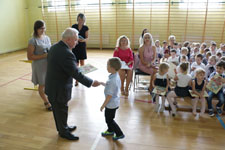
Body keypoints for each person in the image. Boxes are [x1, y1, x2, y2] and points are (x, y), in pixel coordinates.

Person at [45, 28, 100, 140]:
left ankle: (63, 127)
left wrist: (79, 68)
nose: (76, 42)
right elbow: (75, 73)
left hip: (53, 86)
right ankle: (63, 132)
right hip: (58, 89)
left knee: (60, 110)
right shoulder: (66, 53)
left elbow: (67, 68)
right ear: (69, 39)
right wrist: (92, 82)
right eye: (75, 40)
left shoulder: (55, 47)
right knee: (61, 110)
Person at [27, 20, 52, 111]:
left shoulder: (47, 38)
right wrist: (43, 56)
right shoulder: (32, 40)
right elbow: (30, 57)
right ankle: (46, 102)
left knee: (48, 83)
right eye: (41, 28)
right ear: (36, 29)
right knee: (42, 84)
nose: (43, 30)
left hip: (48, 65)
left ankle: (49, 99)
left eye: (44, 28)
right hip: (39, 66)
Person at [100, 57, 125, 141]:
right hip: (114, 102)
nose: (106, 66)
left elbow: (109, 96)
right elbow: (111, 87)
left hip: (111, 104)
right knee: (108, 118)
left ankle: (119, 134)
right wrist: (101, 83)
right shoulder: (115, 76)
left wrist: (103, 105)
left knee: (109, 120)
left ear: (112, 68)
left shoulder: (112, 81)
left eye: (107, 65)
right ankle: (110, 130)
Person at [72, 13, 89, 86]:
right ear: (77, 19)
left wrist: (84, 40)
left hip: (82, 46)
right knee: (76, 64)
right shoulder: (74, 26)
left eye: (82, 19)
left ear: (84, 20)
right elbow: (71, 35)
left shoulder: (86, 27)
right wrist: (76, 39)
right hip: (75, 46)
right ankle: (77, 80)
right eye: (79, 19)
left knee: (82, 64)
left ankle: (82, 78)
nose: (80, 21)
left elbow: (87, 38)